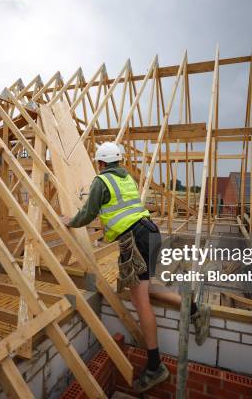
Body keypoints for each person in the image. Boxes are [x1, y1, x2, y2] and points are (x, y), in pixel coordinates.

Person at [61, 142, 210, 393]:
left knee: (141, 302)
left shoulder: (101, 181)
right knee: (143, 288)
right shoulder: (125, 177)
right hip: (150, 232)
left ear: (99, 163)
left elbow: (87, 215)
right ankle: (194, 306)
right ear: (118, 161)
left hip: (135, 240)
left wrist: (70, 221)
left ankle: (155, 367)